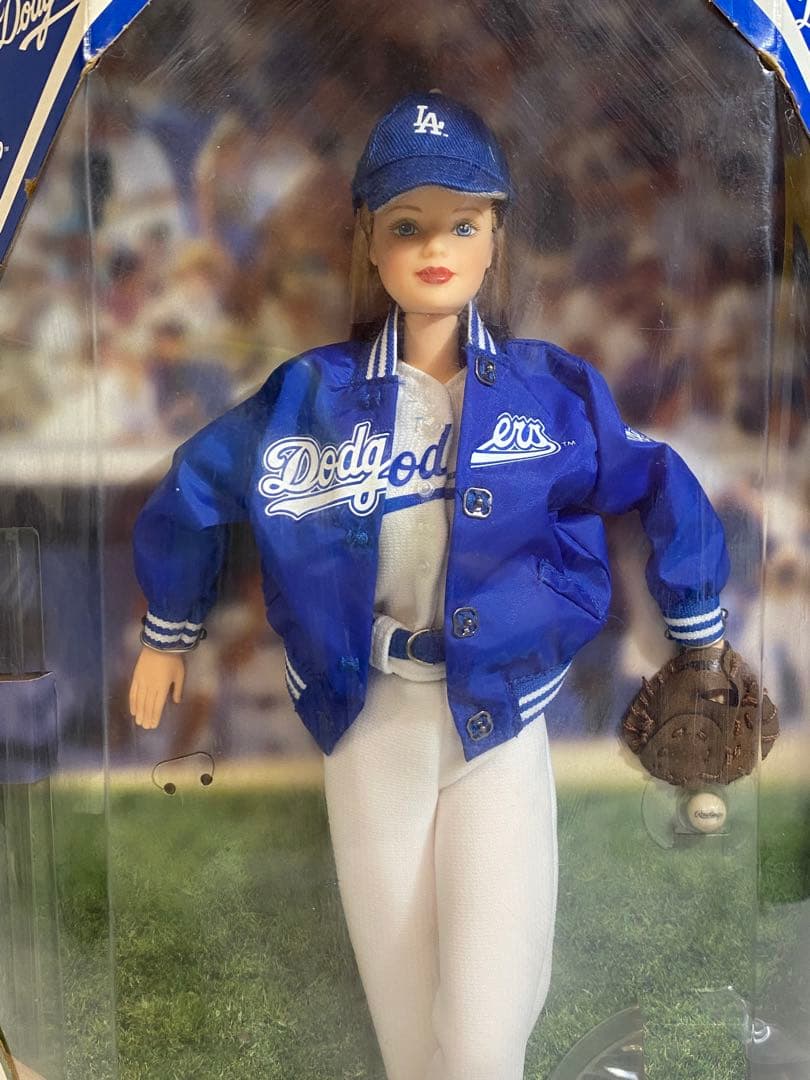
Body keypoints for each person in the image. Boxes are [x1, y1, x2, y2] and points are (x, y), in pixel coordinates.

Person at [129, 92, 729, 1080]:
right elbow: (197, 485)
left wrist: (698, 628)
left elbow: (656, 476)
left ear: (497, 238)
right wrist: (169, 630)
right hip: (368, 718)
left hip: (499, 715)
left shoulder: (549, 389)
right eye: (407, 225)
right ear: (369, 242)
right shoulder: (312, 395)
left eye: (463, 222)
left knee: (485, 1033)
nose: (436, 247)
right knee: (410, 1038)